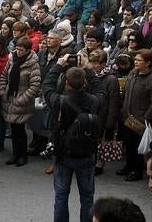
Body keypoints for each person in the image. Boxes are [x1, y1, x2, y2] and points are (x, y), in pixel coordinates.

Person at [42, 55, 102, 222]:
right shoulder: (94, 101)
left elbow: (47, 87)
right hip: (87, 153)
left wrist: (59, 66)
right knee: (87, 196)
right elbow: (101, 90)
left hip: (63, 154)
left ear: (67, 84)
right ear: (85, 83)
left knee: (61, 195)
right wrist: (88, 69)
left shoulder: (59, 101)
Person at [118, 48, 152, 181]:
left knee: (139, 148)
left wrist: (145, 118)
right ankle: (128, 166)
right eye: (135, 60)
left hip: (141, 121)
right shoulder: (133, 73)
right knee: (129, 144)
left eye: (138, 60)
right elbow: (126, 92)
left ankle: (137, 172)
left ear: (148, 63)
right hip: (128, 117)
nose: (135, 62)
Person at [0, 37, 41, 167]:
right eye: (17, 48)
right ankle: (15, 154)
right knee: (13, 128)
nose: (18, 51)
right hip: (10, 98)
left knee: (20, 130)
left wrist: (22, 99)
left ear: (28, 50)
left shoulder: (33, 64)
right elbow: (4, 76)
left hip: (22, 101)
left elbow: (35, 85)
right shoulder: (12, 59)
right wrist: (2, 91)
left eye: (21, 50)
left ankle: (22, 155)